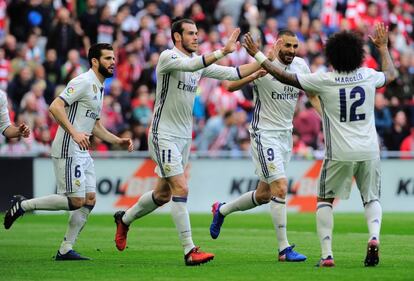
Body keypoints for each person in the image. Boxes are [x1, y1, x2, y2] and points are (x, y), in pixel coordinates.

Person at [243, 23, 397, 267]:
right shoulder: (369, 75)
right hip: (370, 150)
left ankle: (327, 255)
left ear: (332, 56)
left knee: (325, 200)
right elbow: (391, 75)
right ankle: (374, 236)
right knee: (371, 199)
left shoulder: (324, 80)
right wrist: (383, 47)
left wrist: (257, 54)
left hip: (339, 151)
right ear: (359, 54)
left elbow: (284, 76)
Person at [113, 18, 260, 266]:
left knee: (161, 195)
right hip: (163, 134)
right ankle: (189, 250)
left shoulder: (197, 62)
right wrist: (222, 50)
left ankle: (124, 220)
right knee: (181, 189)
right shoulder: (167, 58)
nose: (195, 37)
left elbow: (232, 73)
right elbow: (193, 66)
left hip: (183, 138)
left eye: (197, 33)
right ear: (177, 37)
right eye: (191, 33)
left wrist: (262, 65)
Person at [3, 43, 134, 260]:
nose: (113, 62)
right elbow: (55, 106)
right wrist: (74, 132)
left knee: (89, 199)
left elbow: (95, 126)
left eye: (113, 58)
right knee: (75, 201)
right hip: (68, 146)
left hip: (82, 149)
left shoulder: (99, 88)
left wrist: (117, 140)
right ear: (94, 61)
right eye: (108, 58)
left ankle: (65, 248)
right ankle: (24, 205)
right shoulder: (83, 81)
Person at [209, 30, 321, 262]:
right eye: (287, 45)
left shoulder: (301, 65)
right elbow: (230, 86)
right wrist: (255, 74)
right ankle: (284, 249)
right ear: (278, 44)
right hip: (264, 134)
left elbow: (312, 95)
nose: (291, 50)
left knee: (263, 195)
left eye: (294, 46)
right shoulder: (264, 63)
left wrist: (327, 122)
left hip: (285, 137)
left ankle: (221, 210)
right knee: (280, 187)